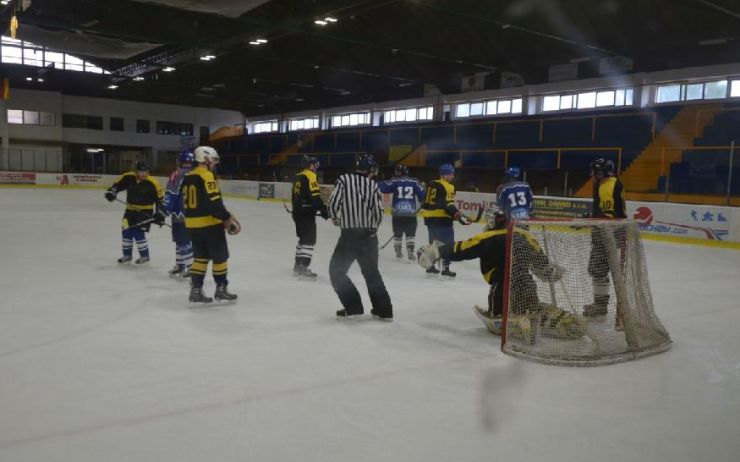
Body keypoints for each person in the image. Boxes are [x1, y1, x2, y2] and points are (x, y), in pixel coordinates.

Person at [415, 205, 586, 342]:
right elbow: (541, 262)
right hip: (527, 285)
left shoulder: (486, 238)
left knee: (499, 319)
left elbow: (460, 249)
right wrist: (550, 271)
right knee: (531, 307)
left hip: (501, 288)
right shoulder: (525, 235)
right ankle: (555, 319)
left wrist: (435, 252)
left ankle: (518, 323)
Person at [328, 153, 393, 321]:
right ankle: (384, 311)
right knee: (371, 273)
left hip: (349, 237)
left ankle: (354, 307)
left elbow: (333, 205)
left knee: (336, 272)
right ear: (370, 170)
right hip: (369, 237)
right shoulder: (374, 186)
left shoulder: (343, 180)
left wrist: (336, 218)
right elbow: (379, 213)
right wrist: (371, 229)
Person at [181, 146, 241, 304]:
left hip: (193, 225)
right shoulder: (207, 176)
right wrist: (226, 218)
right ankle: (221, 289)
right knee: (220, 258)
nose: (214, 164)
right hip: (209, 224)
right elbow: (214, 201)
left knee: (200, 258)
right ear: (205, 160)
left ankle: (196, 291)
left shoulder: (187, 177)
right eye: (213, 161)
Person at [584, 157, 626, 318]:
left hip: (607, 232)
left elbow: (607, 216)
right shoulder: (610, 183)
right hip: (611, 231)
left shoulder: (607, 186)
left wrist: (589, 220)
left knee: (598, 269)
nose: (591, 174)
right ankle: (601, 304)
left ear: (601, 173)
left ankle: (600, 306)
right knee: (600, 269)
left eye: (593, 171)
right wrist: (589, 216)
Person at [105, 160, 166, 264]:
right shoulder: (128, 177)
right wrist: (112, 192)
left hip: (145, 212)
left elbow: (159, 200)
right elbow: (116, 186)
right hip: (130, 211)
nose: (143, 174)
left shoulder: (153, 183)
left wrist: (160, 214)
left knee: (138, 233)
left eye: (145, 171)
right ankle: (127, 255)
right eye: (141, 172)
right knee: (126, 232)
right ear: (136, 171)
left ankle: (145, 256)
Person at [420, 163, 471, 277]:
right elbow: (447, 205)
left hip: (429, 218)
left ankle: (431, 267)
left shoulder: (431, 184)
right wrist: (457, 214)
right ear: (445, 175)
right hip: (441, 219)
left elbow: (425, 202)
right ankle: (445, 268)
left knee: (433, 243)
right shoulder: (448, 186)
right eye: (451, 174)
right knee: (448, 244)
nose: (453, 176)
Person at [291, 155, 329, 278]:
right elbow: (315, 196)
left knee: (302, 240)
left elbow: (295, 197)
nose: (316, 167)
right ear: (311, 165)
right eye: (315, 164)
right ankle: (303, 268)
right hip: (306, 213)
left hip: (297, 213)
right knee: (310, 241)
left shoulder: (298, 175)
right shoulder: (310, 175)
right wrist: (324, 211)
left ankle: (297, 266)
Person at [377, 163, 425, 261]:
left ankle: (398, 250)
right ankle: (410, 251)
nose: (396, 173)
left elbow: (383, 188)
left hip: (397, 213)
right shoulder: (415, 182)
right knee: (410, 234)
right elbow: (422, 196)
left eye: (398, 171)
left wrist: (380, 181)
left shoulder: (395, 181)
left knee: (397, 233)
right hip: (410, 213)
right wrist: (424, 195)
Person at [162, 148, 195, 278]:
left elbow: (171, 194)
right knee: (183, 240)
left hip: (180, 214)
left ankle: (191, 268)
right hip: (194, 214)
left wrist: (163, 210)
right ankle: (181, 265)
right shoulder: (197, 173)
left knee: (182, 240)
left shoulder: (177, 174)